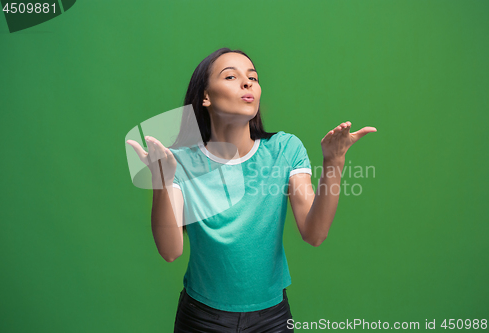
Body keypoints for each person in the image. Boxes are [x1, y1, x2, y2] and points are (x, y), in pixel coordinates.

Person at [126, 47, 377, 332]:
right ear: (205, 97)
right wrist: (161, 181)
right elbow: (170, 251)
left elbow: (314, 233)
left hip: (271, 318)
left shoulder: (285, 149)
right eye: (231, 76)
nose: (248, 83)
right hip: (202, 319)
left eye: (253, 78)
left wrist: (334, 161)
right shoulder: (180, 162)